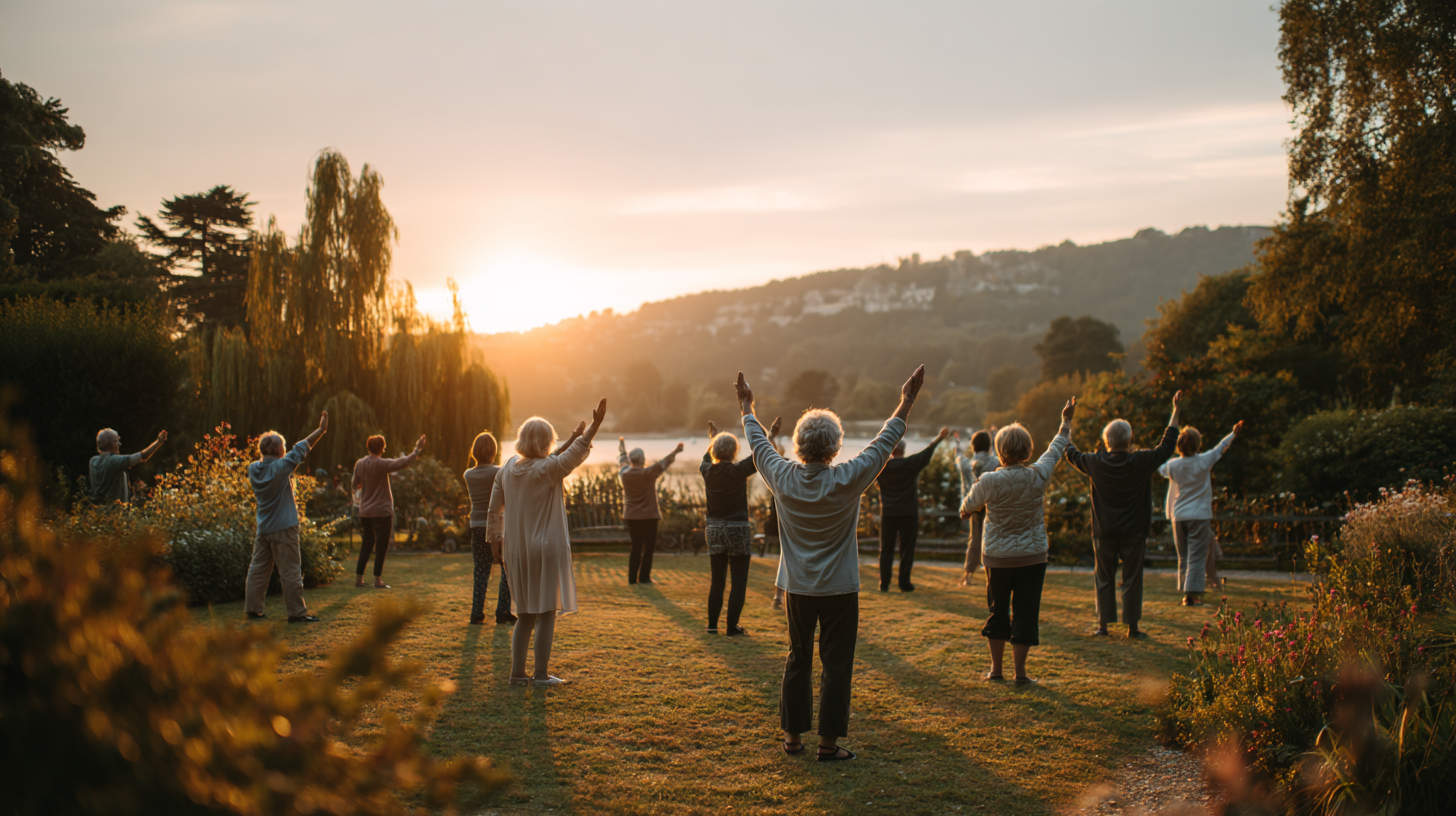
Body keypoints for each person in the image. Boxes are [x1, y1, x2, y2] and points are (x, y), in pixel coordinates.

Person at [740, 365, 926, 763]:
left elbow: (758, 444)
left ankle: (792, 739)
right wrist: (906, 400)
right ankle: (827, 746)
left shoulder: (782, 476)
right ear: (836, 446)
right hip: (840, 588)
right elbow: (884, 442)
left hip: (797, 587)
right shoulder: (848, 478)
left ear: (799, 443)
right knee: (836, 664)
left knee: (797, 657)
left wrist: (746, 404)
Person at [489, 399, 608, 686]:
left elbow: (493, 510)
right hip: (545, 548)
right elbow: (573, 455)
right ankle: (541, 675)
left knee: (525, 613)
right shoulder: (548, 469)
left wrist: (495, 540)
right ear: (546, 442)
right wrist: (594, 427)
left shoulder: (506, 468)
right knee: (546, 612)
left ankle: (518, 674)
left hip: (516, 550)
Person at [959, 402, 1075, 686]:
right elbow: (1057, 448)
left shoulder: (989, 480)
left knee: (998, 611)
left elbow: (968, 505)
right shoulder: (1038, 474)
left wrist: (966, 510)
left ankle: (995, 670)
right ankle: (1020, 674)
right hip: (1032, 557)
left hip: (997, 557)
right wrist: (1065, 422)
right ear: (1028, 450)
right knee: (1025, 613)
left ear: (1000, 452)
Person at [1064, 391, 1183, 638]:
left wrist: (1066, 421)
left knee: (1104, 578)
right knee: (1132, 579)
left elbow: (1069, 451)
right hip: (1134, 531)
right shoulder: (1141, 460)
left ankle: (1103, 627)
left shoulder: (1095, 462)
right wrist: (1176, 410)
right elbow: (1167, 445)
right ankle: (1133, 628)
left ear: (1107, 441)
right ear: (1129, 440)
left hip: (1104, 531)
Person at [245, 411, 328, 623]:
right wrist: (320, 430)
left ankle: (253, 608)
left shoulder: (253, 469)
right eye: (282, 446)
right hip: (284, 528)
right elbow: (301, 449)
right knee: (290, 571)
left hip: (264, 528)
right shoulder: (281, 468)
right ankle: (297, 613)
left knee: (258, 570)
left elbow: (292, 451)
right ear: (279, 449)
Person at [1158, 420, 1244, 606]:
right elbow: (1221, 448)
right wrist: (1233, 434)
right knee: (1197, 557)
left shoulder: (1173, 465)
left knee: (1184, 557)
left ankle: (1186, 594)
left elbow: (1160, 468)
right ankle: (1192, 596)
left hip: (1178, 516)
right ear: (1197, 445)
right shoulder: (1204, 461)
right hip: (1199, 515)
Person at [700, 419, 761, 636]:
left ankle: (712, 626)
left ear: (715, 449)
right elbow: (760, 456)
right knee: (738, 582)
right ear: (735, 451)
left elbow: (706, 458)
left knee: (717, 581)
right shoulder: (739, 470)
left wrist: (713, 438)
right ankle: (732, 627)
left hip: (714, 529)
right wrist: (768, 435)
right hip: (737, 530)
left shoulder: (706, 470)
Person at [874, 426, 949, 592]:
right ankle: (904, 583)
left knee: (886, 549)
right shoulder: (911, 464)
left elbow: (871, 454)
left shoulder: (881, 468)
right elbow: (928, 451)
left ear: (892, 451)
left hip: (888, 513)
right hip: (908, 512)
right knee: (906, 549)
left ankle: (884, 583)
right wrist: (940, 437)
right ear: (903, 450)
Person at [351, 433, 426, 589]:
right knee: (382, 544)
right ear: (381, 448)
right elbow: (402, 463)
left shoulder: (360, 464)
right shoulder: (381, 464)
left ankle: (359, 579)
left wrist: (360, 496)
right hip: (382, 511)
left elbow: (355, 484)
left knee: (367, 543)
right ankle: (378, 580)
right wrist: (416, 450)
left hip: (365, 511)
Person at [464, 431, 516, 625]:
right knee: (507, 568)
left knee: (480, 569)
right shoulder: (499, 471)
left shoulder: (468, 474)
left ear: (475, 452)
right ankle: (503, 611)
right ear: (493, 452)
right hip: (497, 526)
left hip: (476, 525)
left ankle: (476, 612)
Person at [618, 436, 684, 585]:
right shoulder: (649, 473)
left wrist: (622, 445)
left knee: (635, 547)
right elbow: (664, 462)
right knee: (648, 547)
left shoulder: (624, 474)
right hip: (649, 516)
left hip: (631, 516)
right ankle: (644, 577)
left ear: (631, 460)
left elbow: (622, 459)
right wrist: (677, 451)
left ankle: (631, 578)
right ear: (643, 459)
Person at [956, 428, 998, 588]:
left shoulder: (968, 464)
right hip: (991, 506)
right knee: (992, 540)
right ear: (988, 446)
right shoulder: (995, 462)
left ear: (973, 447)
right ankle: (991, 575)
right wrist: (995, 437)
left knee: (974, 540)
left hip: (973, 507)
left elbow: (958, 457)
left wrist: (958, 443)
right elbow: (996, 457)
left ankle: (968, 576)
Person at [89, 428, 167, 505]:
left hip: (98, 512)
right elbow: (143, 456)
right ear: (110, 443)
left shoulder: (93, 461)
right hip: (116, 512)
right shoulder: (114, 461)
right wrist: (158, 442)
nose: (119, 444)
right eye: (116, 440)